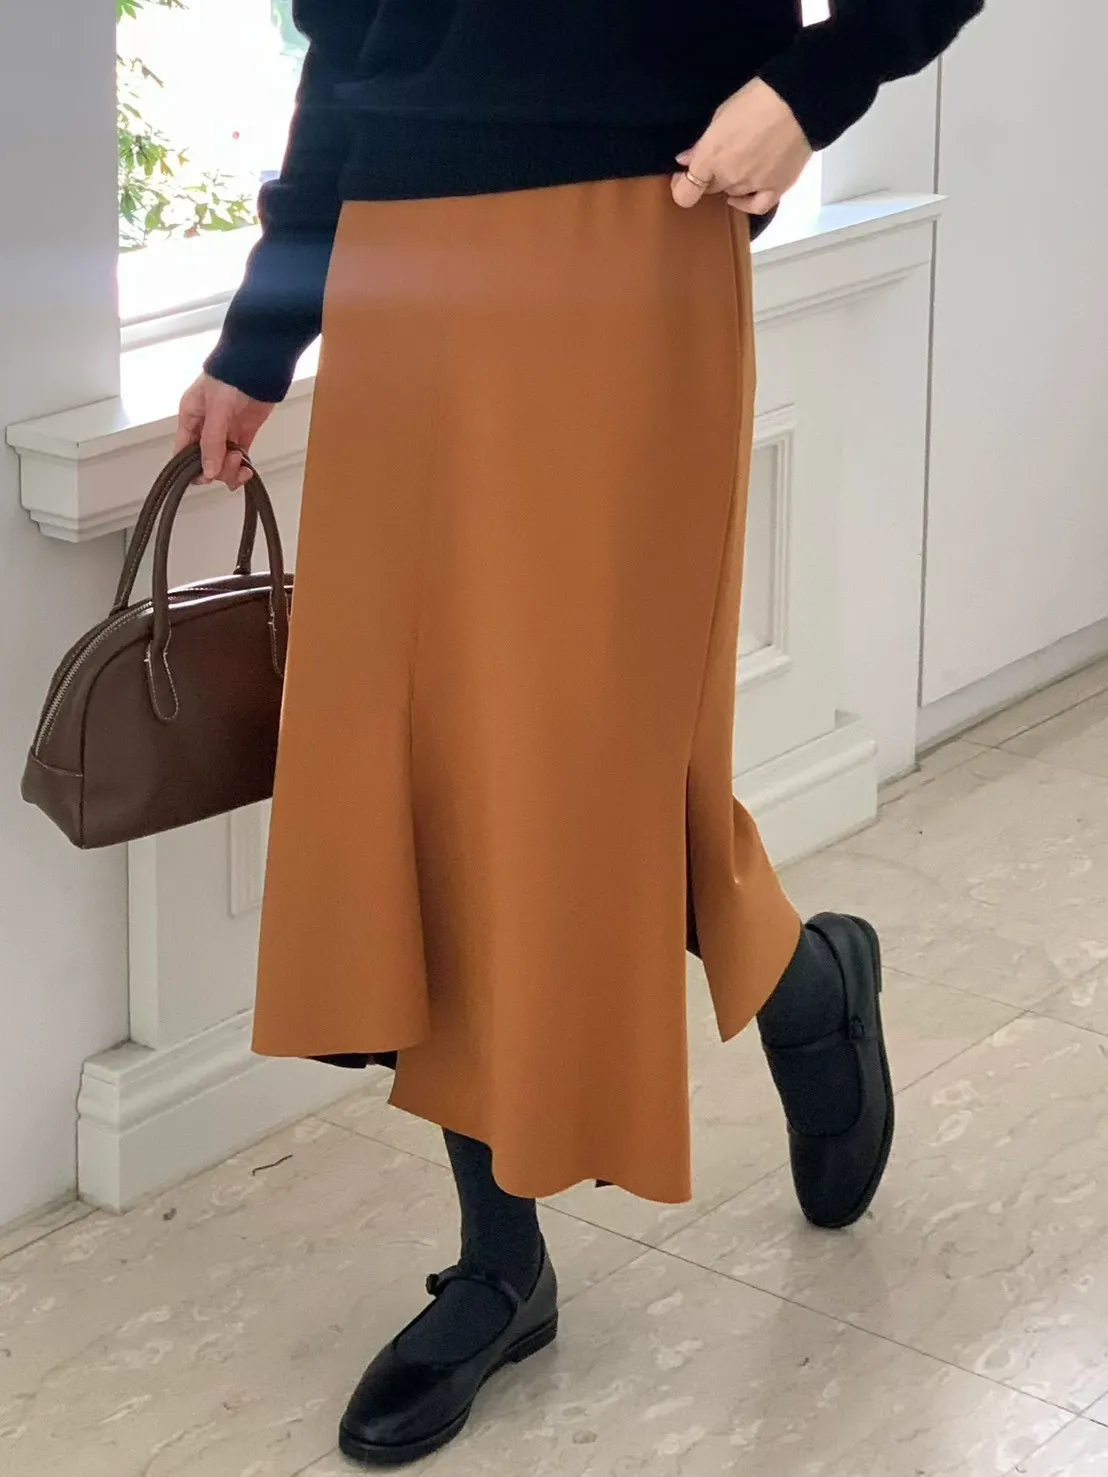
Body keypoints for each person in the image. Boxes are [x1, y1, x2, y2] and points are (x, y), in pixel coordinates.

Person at [175, 0, 984, 1465]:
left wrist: (814, 83)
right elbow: (353, 48)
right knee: (434, 772)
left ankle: (807, 983)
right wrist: (260, 333)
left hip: (633, 230)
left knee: (589, 776)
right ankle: (501, 1265)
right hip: (397, 268)